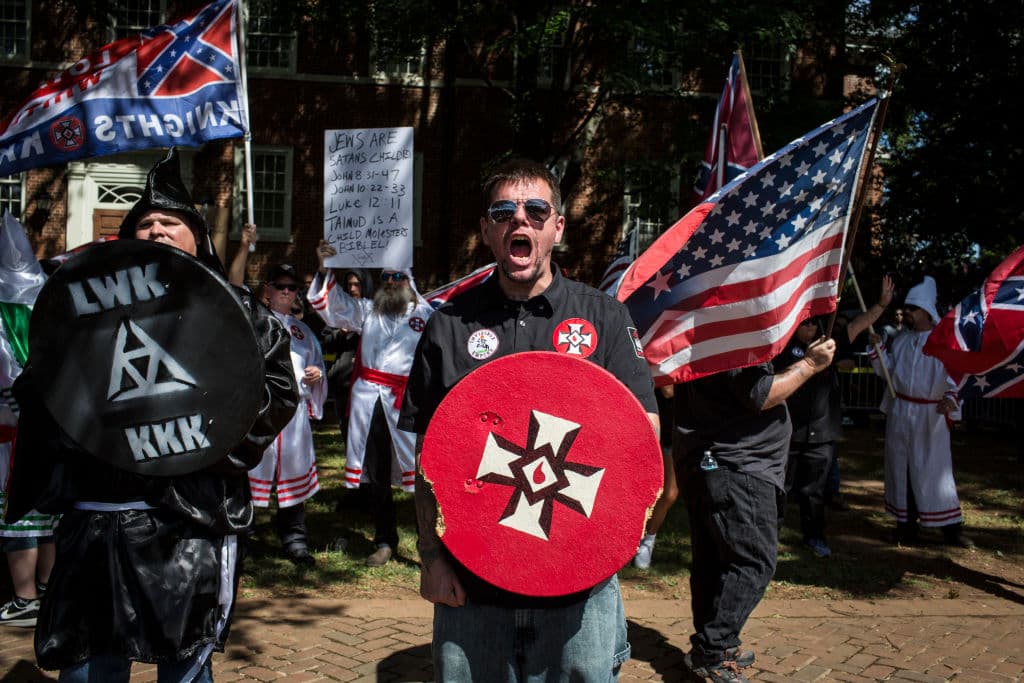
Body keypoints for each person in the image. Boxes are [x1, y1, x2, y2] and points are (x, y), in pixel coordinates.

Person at [5, 149, 298, 681]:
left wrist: (203, 446)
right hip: (95, 518)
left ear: (198, 238)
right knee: (88, 663)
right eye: (145, 223)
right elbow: (46, 395)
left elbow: (275, 393)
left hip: (184, 521)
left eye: (171, 222)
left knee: (184, 664)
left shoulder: (240, 312)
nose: (157, 231)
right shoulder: (80, 312)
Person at [398, 158, 659, 681]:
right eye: (503, 212)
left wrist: (609, 541)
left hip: (579, 586)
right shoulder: (449, 326)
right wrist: (430, 555)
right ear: (487, 232)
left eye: (536, 210)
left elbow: (641, 440)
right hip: (471, 583)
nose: (521, 221)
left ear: (557, 227)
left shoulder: (604, 319)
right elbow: (432, 459)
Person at [675, 335, 835, 682]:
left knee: (715, 560)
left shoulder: (712, 331)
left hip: (716, 461)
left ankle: (714, 643)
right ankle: (713, 649)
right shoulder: (734, 335)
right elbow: (760, 395)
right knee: (754, 560)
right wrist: (809, 365)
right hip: (738, 466)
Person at [308, 251, 434, 567]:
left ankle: (427, 542)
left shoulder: (426, 315)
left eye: (397, 278)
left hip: (407, 400)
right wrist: (326, 270)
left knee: (421, 473)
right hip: (371, 401)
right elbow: (334, 308)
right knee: (375, 471)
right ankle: (384, 539)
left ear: (409, 281)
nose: (391, 284)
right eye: (386, 278)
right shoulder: (367, 311)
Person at [776, 276, 895, 557]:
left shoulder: (828, 344)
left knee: (813, 492)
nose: (810, 328)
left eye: (813, 323)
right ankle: (772, 537)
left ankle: (815, 537)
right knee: (781, 489)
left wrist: (880, 305)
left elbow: (857, 325)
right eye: (805, 323)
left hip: (821, 432)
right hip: (787, 432)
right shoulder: (781, 349)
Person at [869, 276, 972, 548]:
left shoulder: (943, 343)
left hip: (931, 416)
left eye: (912, 309)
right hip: (901, 411)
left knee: (933, 470)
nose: (907, 314)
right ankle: (905, 527)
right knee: (901, 469)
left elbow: (956, 377)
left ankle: (951, 530)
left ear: (925, 309)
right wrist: (878, 349)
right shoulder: (902, 341)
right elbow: (889, 374)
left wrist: (951, 398)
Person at [248, 263, 327, 565]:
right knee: (251, 471)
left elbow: (318, 366)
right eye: (279, 285)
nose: (286, 291)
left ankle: (294, 539)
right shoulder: (253, 322)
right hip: (260, 411)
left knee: (293, 471)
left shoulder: (303, 331)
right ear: (266, 290)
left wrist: (317, 375)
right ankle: (245, 535)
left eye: (292, 287)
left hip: (293, 417)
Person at [633, 383, 679, 569]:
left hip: (676, 433)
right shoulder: (659, 357)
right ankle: (630, 538)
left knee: (669, 493)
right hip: (651, 430)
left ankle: (648, 539)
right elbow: (668, 390)